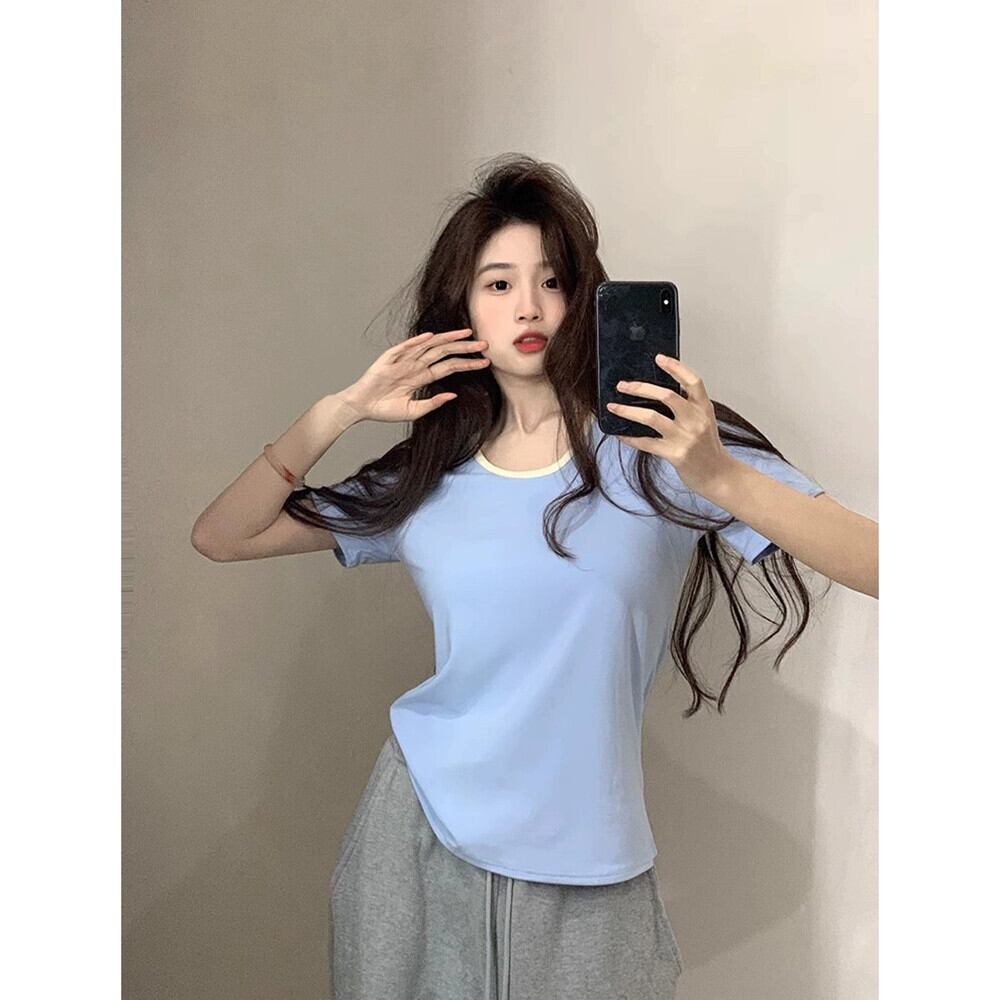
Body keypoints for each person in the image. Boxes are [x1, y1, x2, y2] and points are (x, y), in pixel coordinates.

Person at [191, 154, 878, 999]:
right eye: (498, 284)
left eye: (552, 281)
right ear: (462, 310)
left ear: (584, 299)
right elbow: (223, 536)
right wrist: (339, 412)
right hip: (416, 839)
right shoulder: (426, 479)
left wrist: (719, 476)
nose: (528, 306)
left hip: (592, 870)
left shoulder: (661, 452)